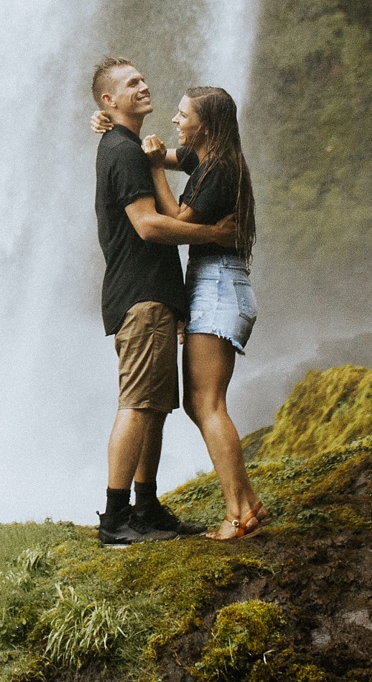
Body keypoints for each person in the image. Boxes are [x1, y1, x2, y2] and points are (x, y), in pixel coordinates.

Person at [90, 58, 239, 547]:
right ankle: (115, 519)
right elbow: (149, 225)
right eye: (132, 83)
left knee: (153, 407)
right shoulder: (122, 150)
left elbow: (176, 163)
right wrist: (214, 232)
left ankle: (146, 506)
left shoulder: (126, 145)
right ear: (109, 102)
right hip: (141, 295)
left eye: (143, 78)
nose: (145, 85)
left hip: (154, 296)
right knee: (136, 404)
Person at [113, 86, 267, 540]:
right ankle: (247, 502)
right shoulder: (208, 159)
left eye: (184, 115)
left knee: (206, 403)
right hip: (212, 282)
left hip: (219, 283)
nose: (176, 121)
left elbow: (177, 217)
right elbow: (163, 156)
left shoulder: (219, 170)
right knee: (198, 404)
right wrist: (117, 131)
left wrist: (158, 169)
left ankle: (238, 514)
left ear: (207, 124)